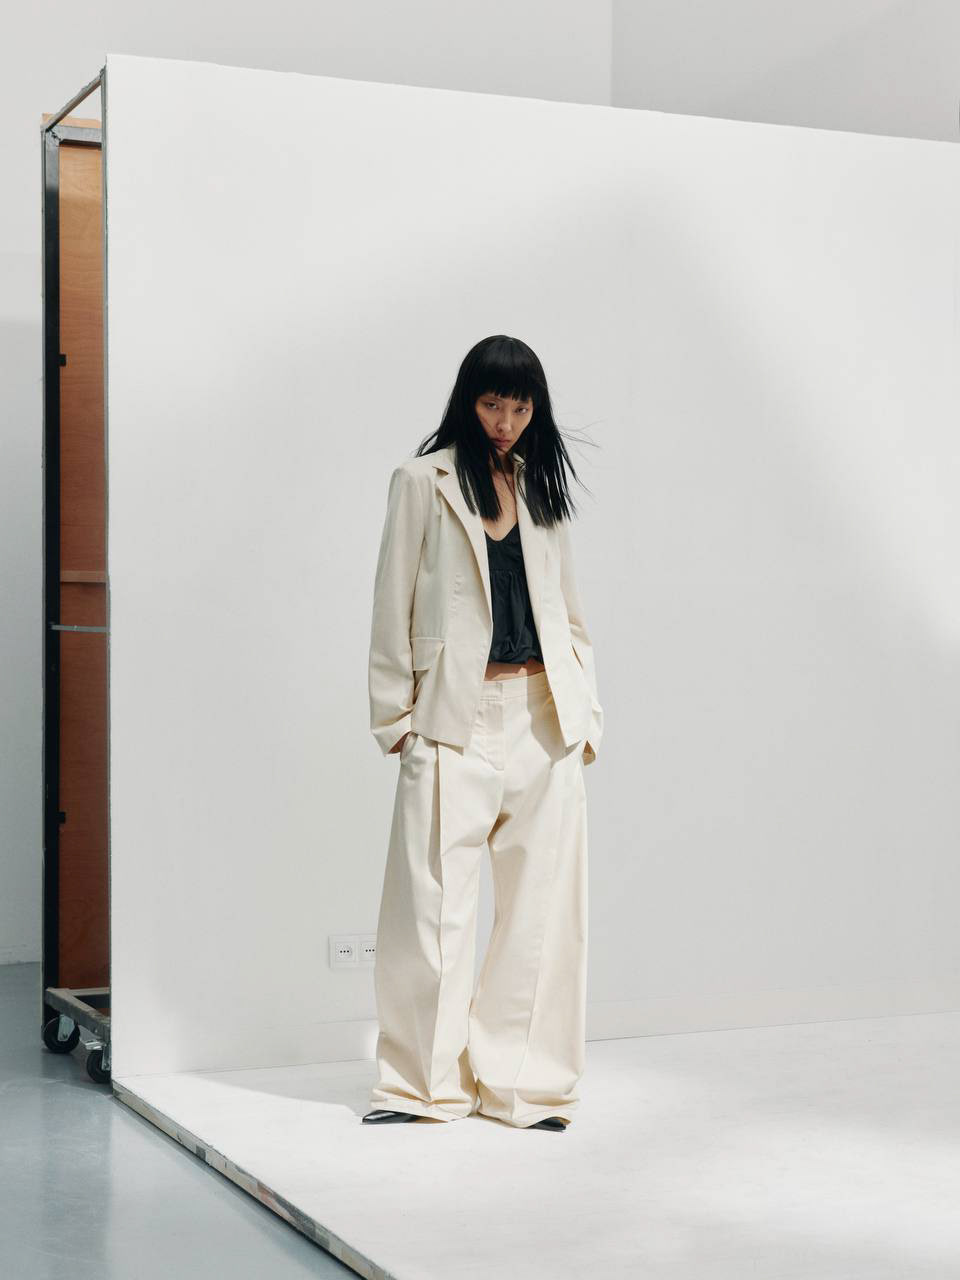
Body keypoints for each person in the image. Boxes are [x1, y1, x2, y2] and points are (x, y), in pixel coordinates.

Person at [363, 335, 603, 1131]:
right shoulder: (421, 482)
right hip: (452, 720)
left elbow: (569, 613)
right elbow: (392, 602)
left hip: (543, 717)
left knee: (540, 916)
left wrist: (587, 716)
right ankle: (421, 1088)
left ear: (536, 410)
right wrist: (397, 720)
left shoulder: (539, 488)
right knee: (432, 910)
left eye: (520, 407)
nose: (505, 421)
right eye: (493, 403)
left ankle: (523, 1088)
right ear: (469, 400)